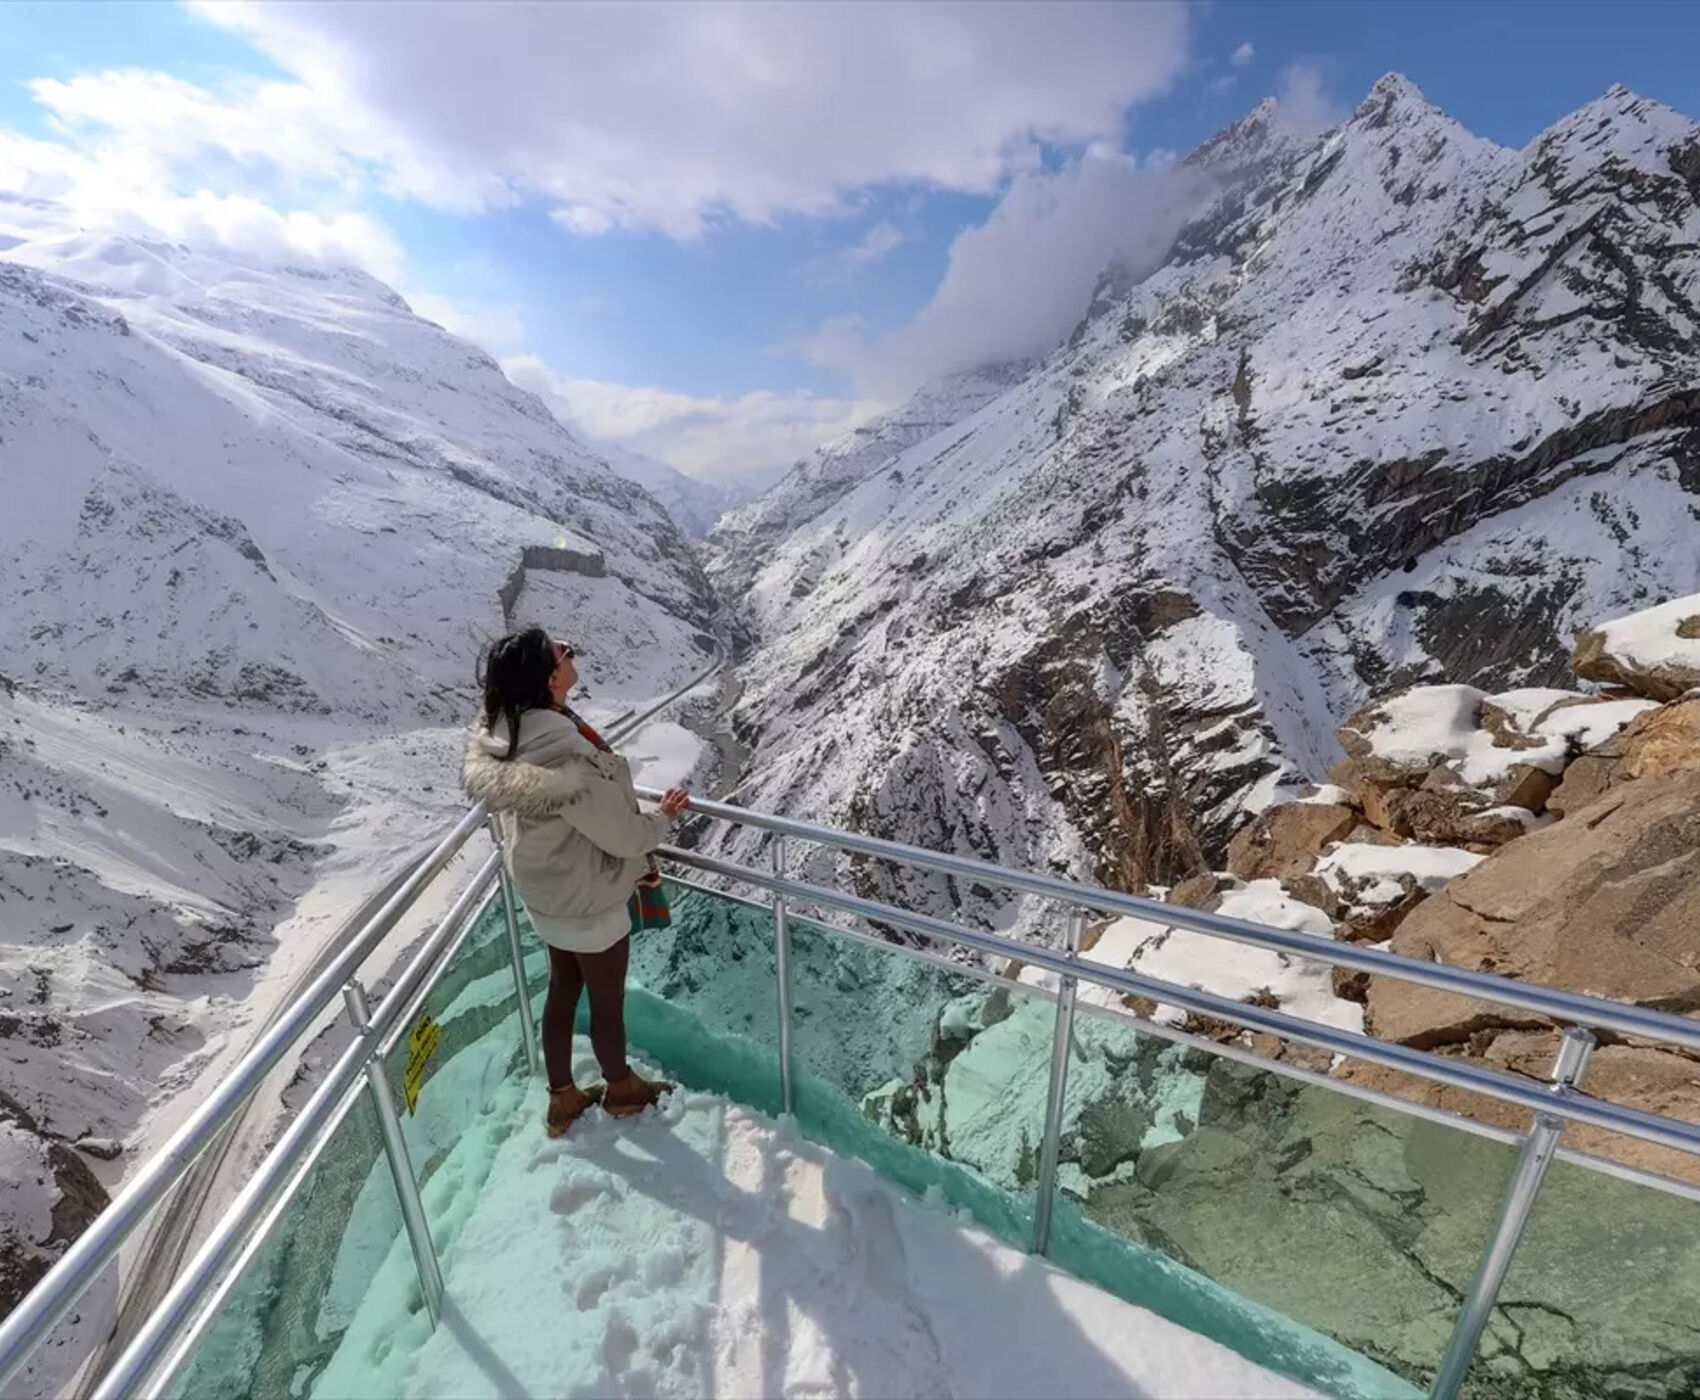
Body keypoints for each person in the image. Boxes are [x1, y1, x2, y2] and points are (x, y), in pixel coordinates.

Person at [462, 626, 691, 1137]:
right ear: (550, 679)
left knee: (563, 989)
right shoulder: (566, 759)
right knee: (607, 1003)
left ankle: (562, 1097)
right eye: (562, 652)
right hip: (588, 903)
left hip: (547, 895)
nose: (571, 653)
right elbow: (626, 837)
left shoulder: (512, 736)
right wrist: (664, 818)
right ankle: (622, 1089)